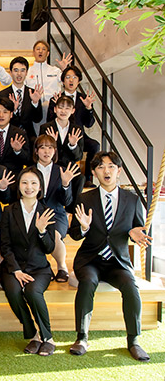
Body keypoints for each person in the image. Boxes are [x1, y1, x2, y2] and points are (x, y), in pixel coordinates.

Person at [69, 151, 152, 361]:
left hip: (117, 261)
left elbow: (137, 230)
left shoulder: (132, 200)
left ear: (119, 171)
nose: (106, 171)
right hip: (90, 260)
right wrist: (84, 228)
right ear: (94, 172)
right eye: (100, 167)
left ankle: (134, 340)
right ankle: (81, 338)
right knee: (88, 283)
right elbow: (74, 234)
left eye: (111, 166)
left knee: (131, 287)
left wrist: (133, 235)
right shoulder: (84, 198)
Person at [0, 167, 57, 356]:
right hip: (13, 268)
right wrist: (16, 270)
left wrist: (42, 231)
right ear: (18, 186)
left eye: (33, 183)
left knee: (33, 292)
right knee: (14, 291)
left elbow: (49, 248)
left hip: (39, 268)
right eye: (24, 182)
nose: (29, 187)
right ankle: (33, 335)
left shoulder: (47, 212)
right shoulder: (9, 211)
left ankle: (48, 337)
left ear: (40, 187)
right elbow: (5, 245)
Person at [33, 135, 79, 282]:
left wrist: (65, 184)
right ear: (36, 151)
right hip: (34, 214)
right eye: (42, 147)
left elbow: (67, 201)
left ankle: (62, 267)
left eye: (50, 148)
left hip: (57, 214)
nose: (46, 151)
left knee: (55, 234)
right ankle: (42, 267)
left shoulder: (62, 171)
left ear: (55, 151)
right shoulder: (29, 171)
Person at [47, 65, 99, 187]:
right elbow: (49, 120)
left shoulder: (84, 99)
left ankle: (88, 178)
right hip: (59, 134)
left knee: (94, 145)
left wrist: (88, 108)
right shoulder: (55, 98)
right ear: (63, 81)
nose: (71, 80)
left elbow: (89, 124)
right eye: (68, 77)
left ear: (79, 81)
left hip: (79, 135)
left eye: (74, 77)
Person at [39, 96, 85, 211]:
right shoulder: (46, 127)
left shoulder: (77, 129)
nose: (63, 111)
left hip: (69, 166)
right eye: (60, 107)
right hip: (52, 165)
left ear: (73, 111)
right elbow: (42, 152)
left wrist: (73, 145)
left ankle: (71, 210)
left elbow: (78, 156)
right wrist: (52, 143)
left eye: (67, 108)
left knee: (80, 178)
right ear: (55, 109)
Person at [25, 40, 72, 133]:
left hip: (53, 109)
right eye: (38, 49)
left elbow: (67, 82)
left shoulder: (55, 71)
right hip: (35, 109)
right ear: (33, 52)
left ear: (48, 53)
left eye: (43, 49)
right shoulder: (28, 72)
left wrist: (64, 69)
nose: (40, 51)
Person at [0, 98, 30, 184]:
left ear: (11, 114)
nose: (1, 115)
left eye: (5, 112)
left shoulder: (20, 134)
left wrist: (18, 151)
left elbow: (27, 160)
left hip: (13, 179)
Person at [0, 56, 43, 148]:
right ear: (10, 72)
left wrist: (35, 102)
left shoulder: (33, 93)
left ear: (26, 72)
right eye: (16, 70)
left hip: (29, 137)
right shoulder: (3, 94)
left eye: (22, 70)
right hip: (9, 137)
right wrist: (13, 111)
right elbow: (1, 120)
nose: (19, 74)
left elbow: (37, 119)